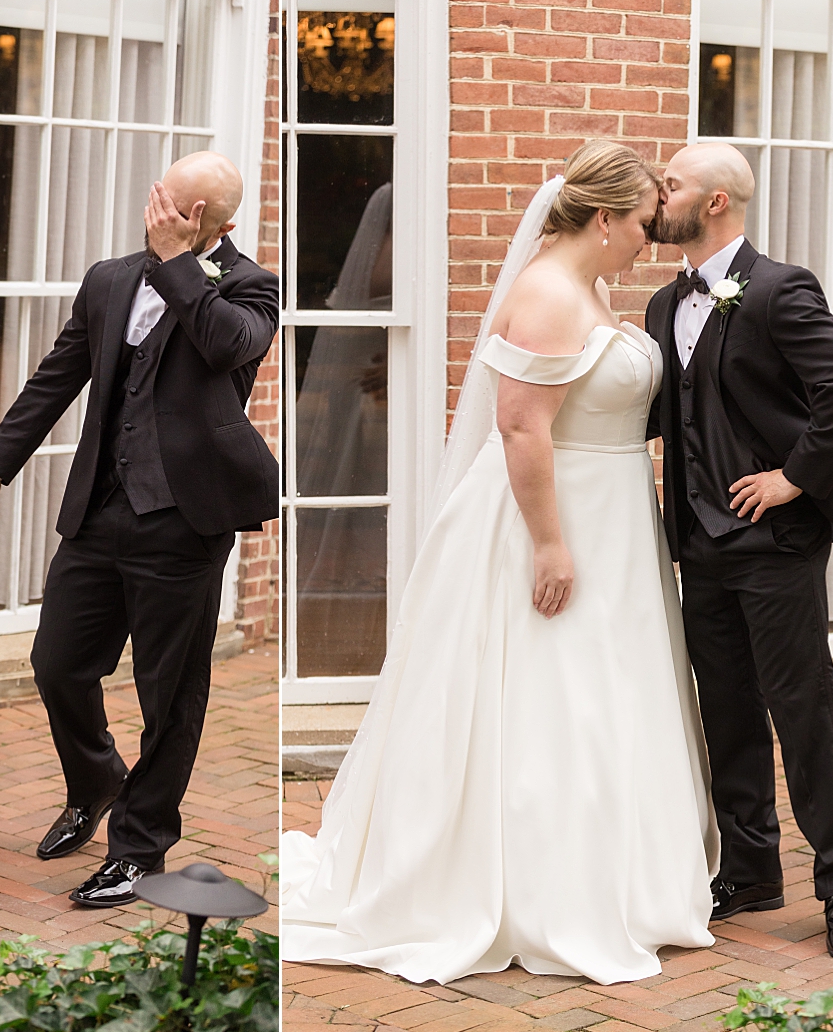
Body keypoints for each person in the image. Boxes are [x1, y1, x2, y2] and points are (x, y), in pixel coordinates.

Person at [280, 140, 719, 986]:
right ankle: (540, 889)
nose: (645, 239)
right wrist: (551, 543)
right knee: (550, 690)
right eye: (637, 224)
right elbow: (522, 427)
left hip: (612, 513)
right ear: (600, 218)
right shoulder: (550, 294)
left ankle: (615, 874)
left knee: (604, 689)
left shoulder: (583, 285)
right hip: (552, 518)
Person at [0, 151, 279, 908]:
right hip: (100, 511)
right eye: (162, 198)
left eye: (184, 210)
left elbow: (229, 346)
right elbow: (55, 378)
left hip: (185, 520)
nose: (163, 215)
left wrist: (178, 264)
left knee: (170, 694)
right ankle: (97, 779)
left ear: (218, 222)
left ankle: (138, 846)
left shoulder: (252, 286)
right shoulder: (108, 279)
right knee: (57, 663)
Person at [646, 142, 833, 958]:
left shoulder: (781, 289)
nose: (657, 193)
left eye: (669, 183)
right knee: (728, 711)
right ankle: (748, 868)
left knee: (802, 708)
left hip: (775, 542)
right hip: (700, 545)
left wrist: (793, 478)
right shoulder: (660, 304)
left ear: (714, 202)